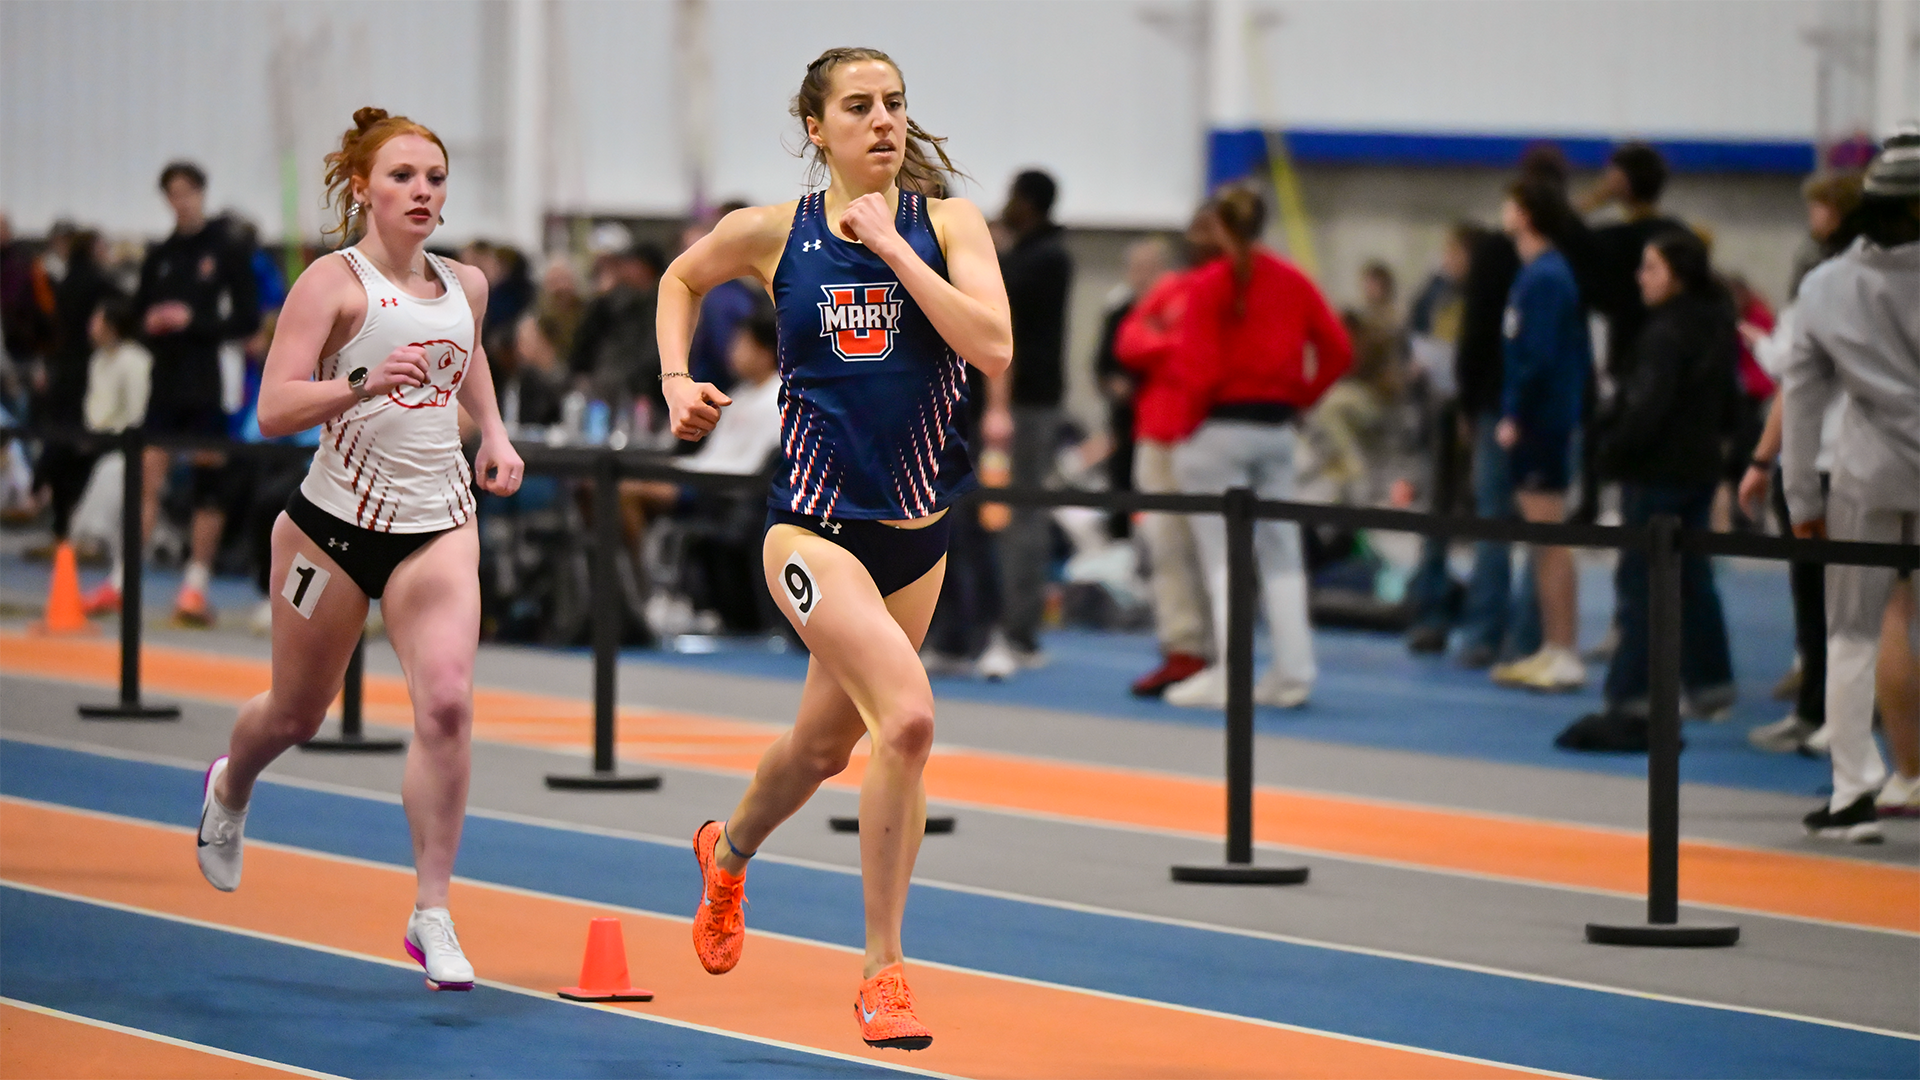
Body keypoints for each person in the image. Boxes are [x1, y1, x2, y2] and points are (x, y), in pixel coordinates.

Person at [655, 48, 1010, 1051]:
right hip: (811, 529)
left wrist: (897, 251)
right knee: (905, 721)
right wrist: (675, 379)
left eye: (896, 104)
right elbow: (682, 276)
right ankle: (883, 973)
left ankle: (724, 855)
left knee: (821, 748)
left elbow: (993, 346)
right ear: (817, 127)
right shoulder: (779, 233)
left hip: (916, 536)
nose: (883, 121)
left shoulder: (949, 227)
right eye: (859, 107)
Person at [191, 109, 524, 991]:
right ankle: (231, 785)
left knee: (447, 705)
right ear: (363, 190)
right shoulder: (330, 286)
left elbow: (469, 355)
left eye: (435, 178)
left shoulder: (468, 284)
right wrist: (362, 381)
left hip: (439, 526)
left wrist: (492, 432)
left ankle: (433, 910)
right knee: (296, 715)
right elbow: (271, 410)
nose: (423, 192)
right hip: (331, 530)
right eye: (404, 177)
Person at [1161, 184, 1353, 710]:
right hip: (1275, 430)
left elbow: (1197, 370)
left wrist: (1185, 429)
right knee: (1283, 554)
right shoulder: (1293, 281)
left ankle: (1230, 675)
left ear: (1219, 227)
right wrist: (1302, 400)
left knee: (1223, 559)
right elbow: (1338, 349)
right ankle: (1294, 672)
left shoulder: (1208, 285)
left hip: (1218, 428)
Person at [1781, 130, 1920, 842]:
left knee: (1853, 634)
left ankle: (1854, 793)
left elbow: (1802, 400)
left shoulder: (1827, 285)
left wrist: (1801, 499)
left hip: (1867, 473)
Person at [1555, 230, 1738, 751]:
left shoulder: (1664, 334)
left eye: (1651, 268)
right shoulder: (1715, 324)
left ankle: (1633, 696)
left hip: (1656, 474)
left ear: (1676, 276)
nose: (1640, 277)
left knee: (1641, 585)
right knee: (1695, 581)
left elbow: (1647, 408)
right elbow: (1729, 405)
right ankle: (1712, 685)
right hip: (1699, 469)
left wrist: (1609, 454)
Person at [89, 162, 261, 625]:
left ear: (201, 193)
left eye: (188, 192)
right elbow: (139, 313)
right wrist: (151, 323)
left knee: (209, 484)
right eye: (173, 193)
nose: (181, 200)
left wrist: (194, 322)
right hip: (165, 381)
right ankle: (124, 579)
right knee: (147, 476)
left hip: (210, 383)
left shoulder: (226, 251)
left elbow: (248, 319)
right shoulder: (161, 254)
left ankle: (195, 586)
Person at [1738, 170, 1864, 754]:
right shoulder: (1855, 279)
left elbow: (1794, 377)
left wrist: (1762, 461)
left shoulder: (1830, 283)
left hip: (1828, 460)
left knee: (1834, 606)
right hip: (1845, 459)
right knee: (1839, 605)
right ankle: (1826, 713)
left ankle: (1833, 720)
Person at [1114, 209, 1224, 696]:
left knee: (1214, 548)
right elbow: (1130, 341)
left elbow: (1215, 355)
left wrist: (1172, 344)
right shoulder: (1171, 286)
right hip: (1158, 433)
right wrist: (1175, 346)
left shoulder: (1231, 289)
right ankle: (1182, 648)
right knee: (1165, 545)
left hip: (1208, 434)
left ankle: (1220, 652)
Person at [1487, 178, 1590, 693]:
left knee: (1550, 536)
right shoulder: (1535, 274)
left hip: (1542, 424)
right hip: (1538, 420)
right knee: (1541, 538)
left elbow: (1540, 357)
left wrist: (1515, 415)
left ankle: (1565, 649)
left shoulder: (1546, 277)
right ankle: (1553, 644)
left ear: (1526, 213)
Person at [975, 168, 1072, 680]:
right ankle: (999, 621)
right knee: (1003, 515)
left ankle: (1019, 627)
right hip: (1014, 401)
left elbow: (998, 293)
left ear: (1030, 204)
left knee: (1022, 514)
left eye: (1013, 198)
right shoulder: (1031, 253)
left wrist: (989, 247)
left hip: (1027, 405)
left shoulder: (1047, 258)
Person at [1404, 224, 1475, 653]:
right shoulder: (1436, 293)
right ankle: (1430, 610)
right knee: (1436, 514)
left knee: (1482, 518)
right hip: (1439, 413)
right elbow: (1414, 336)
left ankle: (1484, 621)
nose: (1447, 262)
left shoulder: (1484, 296)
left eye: (1455, 253)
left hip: (1472, 415)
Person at [1307, 260, 1405, 504]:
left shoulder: (1390, 321)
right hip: (1359, 392)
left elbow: (1364, 361)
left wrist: (1353, 332)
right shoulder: (1364, 319)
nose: (1368, 289)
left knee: (1329, 406)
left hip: (1379, 397)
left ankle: (1352, 465)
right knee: (1324, 403)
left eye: (1373, 284)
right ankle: (1340, 467)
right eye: (1366, 283)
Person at [1093, 237, 1171, 540]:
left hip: (1162, 423)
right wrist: (1113, 384)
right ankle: (1122, 547)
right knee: (1123, 485)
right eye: (1136, 268)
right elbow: (1101, 364)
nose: (1142, 275)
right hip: (1126, 421)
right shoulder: (1119, 312)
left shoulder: (1174, 313)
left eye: (1149, 268)